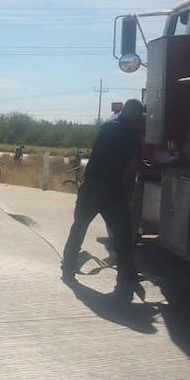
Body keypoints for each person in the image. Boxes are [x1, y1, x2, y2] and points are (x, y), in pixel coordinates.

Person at [61, 99, 144, 297]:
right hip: (111, 189)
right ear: (135, 115)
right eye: (140, 117)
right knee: (122, 234)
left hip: (89, 186)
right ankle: (126, 275)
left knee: (79, 227)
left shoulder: (107, 126)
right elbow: (132, 166)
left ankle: (68, 265)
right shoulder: (132, 133)